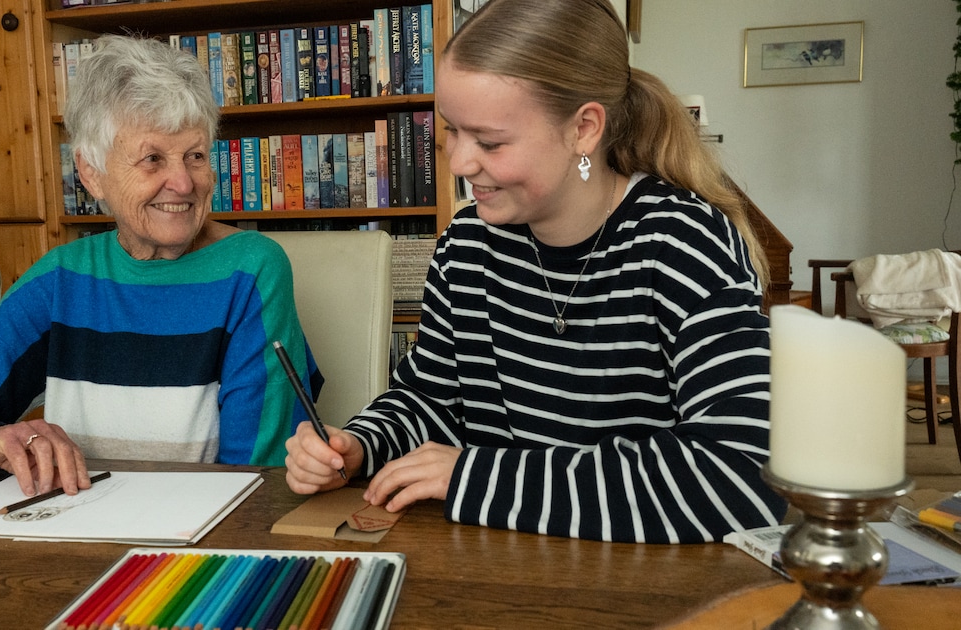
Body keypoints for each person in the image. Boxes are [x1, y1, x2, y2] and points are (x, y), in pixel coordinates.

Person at [284, 0, 785, 544]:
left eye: (491, 142)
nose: (459, 163)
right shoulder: (467, 245)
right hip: (504, 564)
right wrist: (361, 446)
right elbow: (430, 400)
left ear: (584, 129)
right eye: (451, 132)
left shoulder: (682, 243)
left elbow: (743, 478)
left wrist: (475, 477)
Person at [0, 35, 319, 500]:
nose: (182, 182)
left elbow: (260, 473)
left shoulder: (251, 270)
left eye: (195, 156)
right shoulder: (63, 278)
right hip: (76, 535)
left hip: (203, 541)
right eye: (153, 158)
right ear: (91, 173)